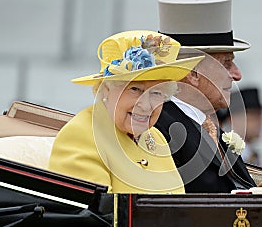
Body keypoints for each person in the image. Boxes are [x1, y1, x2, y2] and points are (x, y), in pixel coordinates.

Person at [48, 30, 204, 194]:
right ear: (106, 89)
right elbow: (93, 216)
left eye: (156, 93)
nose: (145, 105)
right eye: (135, 89)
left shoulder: (156, 137)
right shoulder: (81, 135)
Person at [155, 0, 256, 193]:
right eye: (227, 63)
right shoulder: (158, 128)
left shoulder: (208, 127)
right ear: (193, 74)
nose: (237, 75)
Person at [217, 87, 262, 166]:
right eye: (254, 115)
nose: (261, 121)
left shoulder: (252, 155)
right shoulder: (224, 155)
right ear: (232, 119)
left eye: (261, 115)